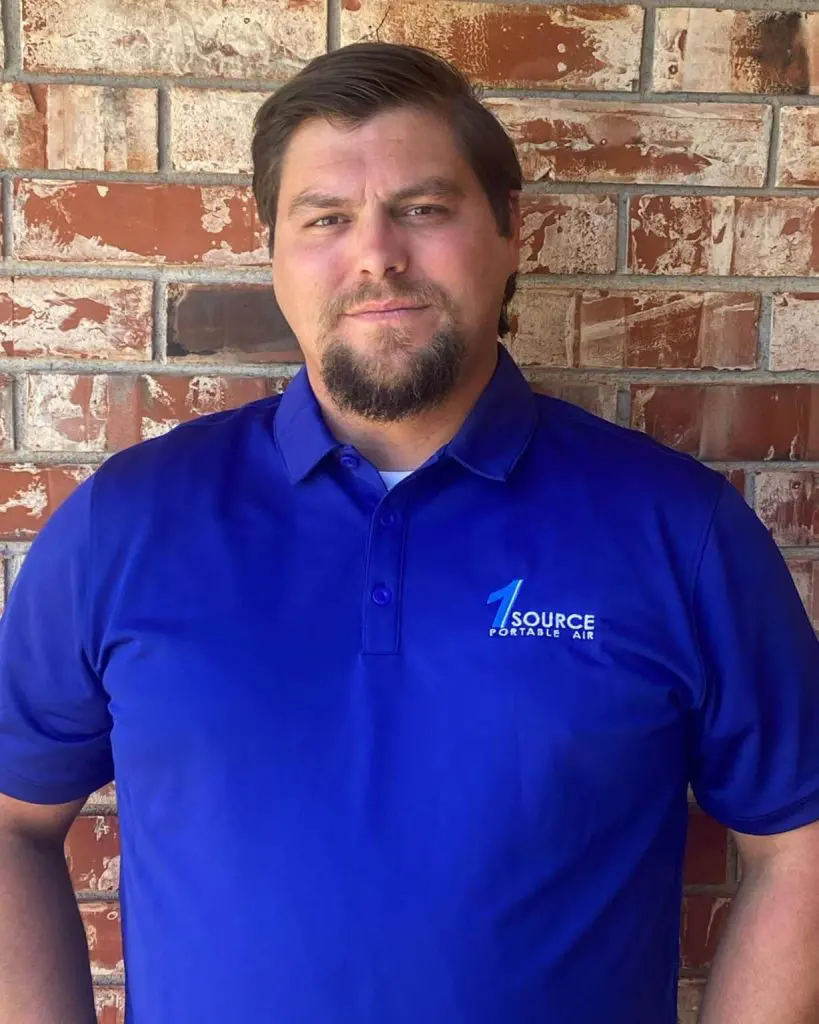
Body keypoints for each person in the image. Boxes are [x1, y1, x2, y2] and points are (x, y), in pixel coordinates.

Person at [0, 42, 818, 1024]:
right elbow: (12, 820)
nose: (376, 254)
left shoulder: (678, 530)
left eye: (423, 209)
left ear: (510, 229)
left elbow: (798, 842)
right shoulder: (126, 524)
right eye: (326, 218)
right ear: (272, 254)